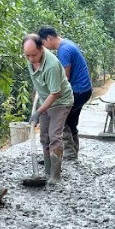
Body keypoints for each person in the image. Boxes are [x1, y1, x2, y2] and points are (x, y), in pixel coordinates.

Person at [22, 34, 73, 186]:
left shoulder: (51, 65)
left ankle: (55, 176)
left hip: (61, 102)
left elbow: (55, 93)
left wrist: (38, 112)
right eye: (27, 55)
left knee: (54, 136)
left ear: (41, 48)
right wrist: (37, 105)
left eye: (34, 55)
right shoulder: (31, 59)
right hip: (45, 100)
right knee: (44, 137)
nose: (30, 59)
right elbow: (37, 83)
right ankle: (46, 172)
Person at [37, 26, 92, 160]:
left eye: (43, 44)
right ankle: (73, 152)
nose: (44, 48)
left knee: (61, 120)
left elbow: (64, 77)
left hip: (77, 90)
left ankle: (68, 153)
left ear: (49, 38)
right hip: (85, 89)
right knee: (71, 122)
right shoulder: (68, 44)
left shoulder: (64, 50)